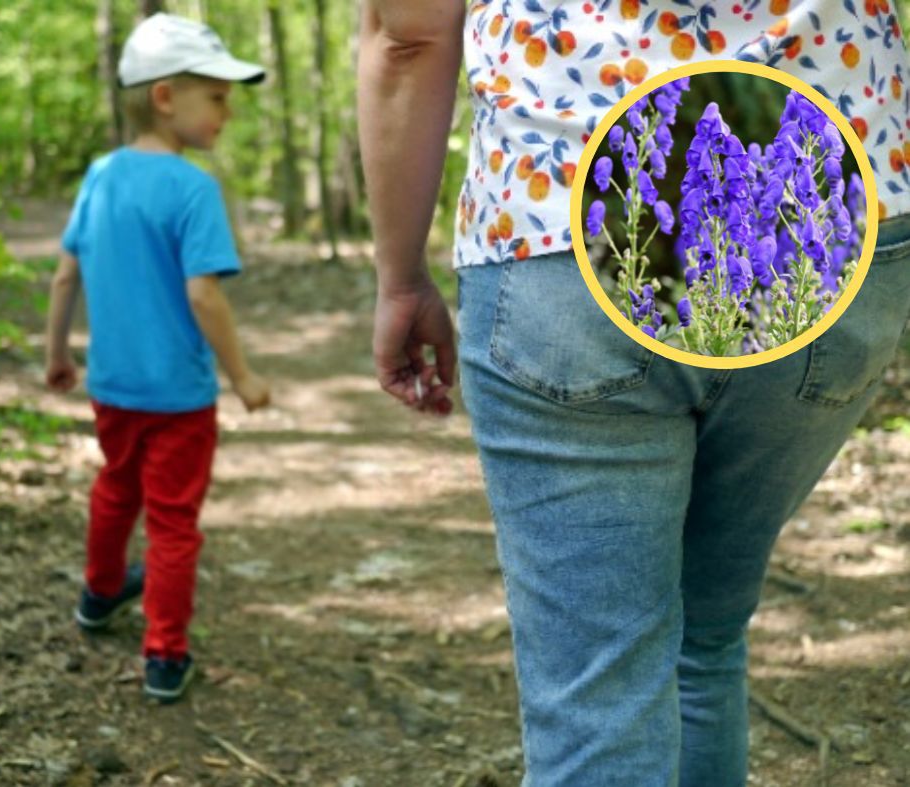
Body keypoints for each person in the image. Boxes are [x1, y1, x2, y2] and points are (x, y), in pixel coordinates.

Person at [358, 1, 910, 784]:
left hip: (554, 217)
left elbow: (407, 35)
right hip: (843, 216)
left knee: (598, 687)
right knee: (704, 635)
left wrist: (399, 275)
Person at [45, 12, 271, 704]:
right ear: (167, 96)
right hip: (177, 396)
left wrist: (57, 352)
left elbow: (64, 272)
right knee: (172, 521)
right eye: (217, 96)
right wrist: (243, 377)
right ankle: (165, 655)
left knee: (116, 486)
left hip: (113, 386)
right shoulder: (192, 189)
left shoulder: (101, 174)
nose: (227, 111)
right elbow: (204, 296)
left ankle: (100, 591)